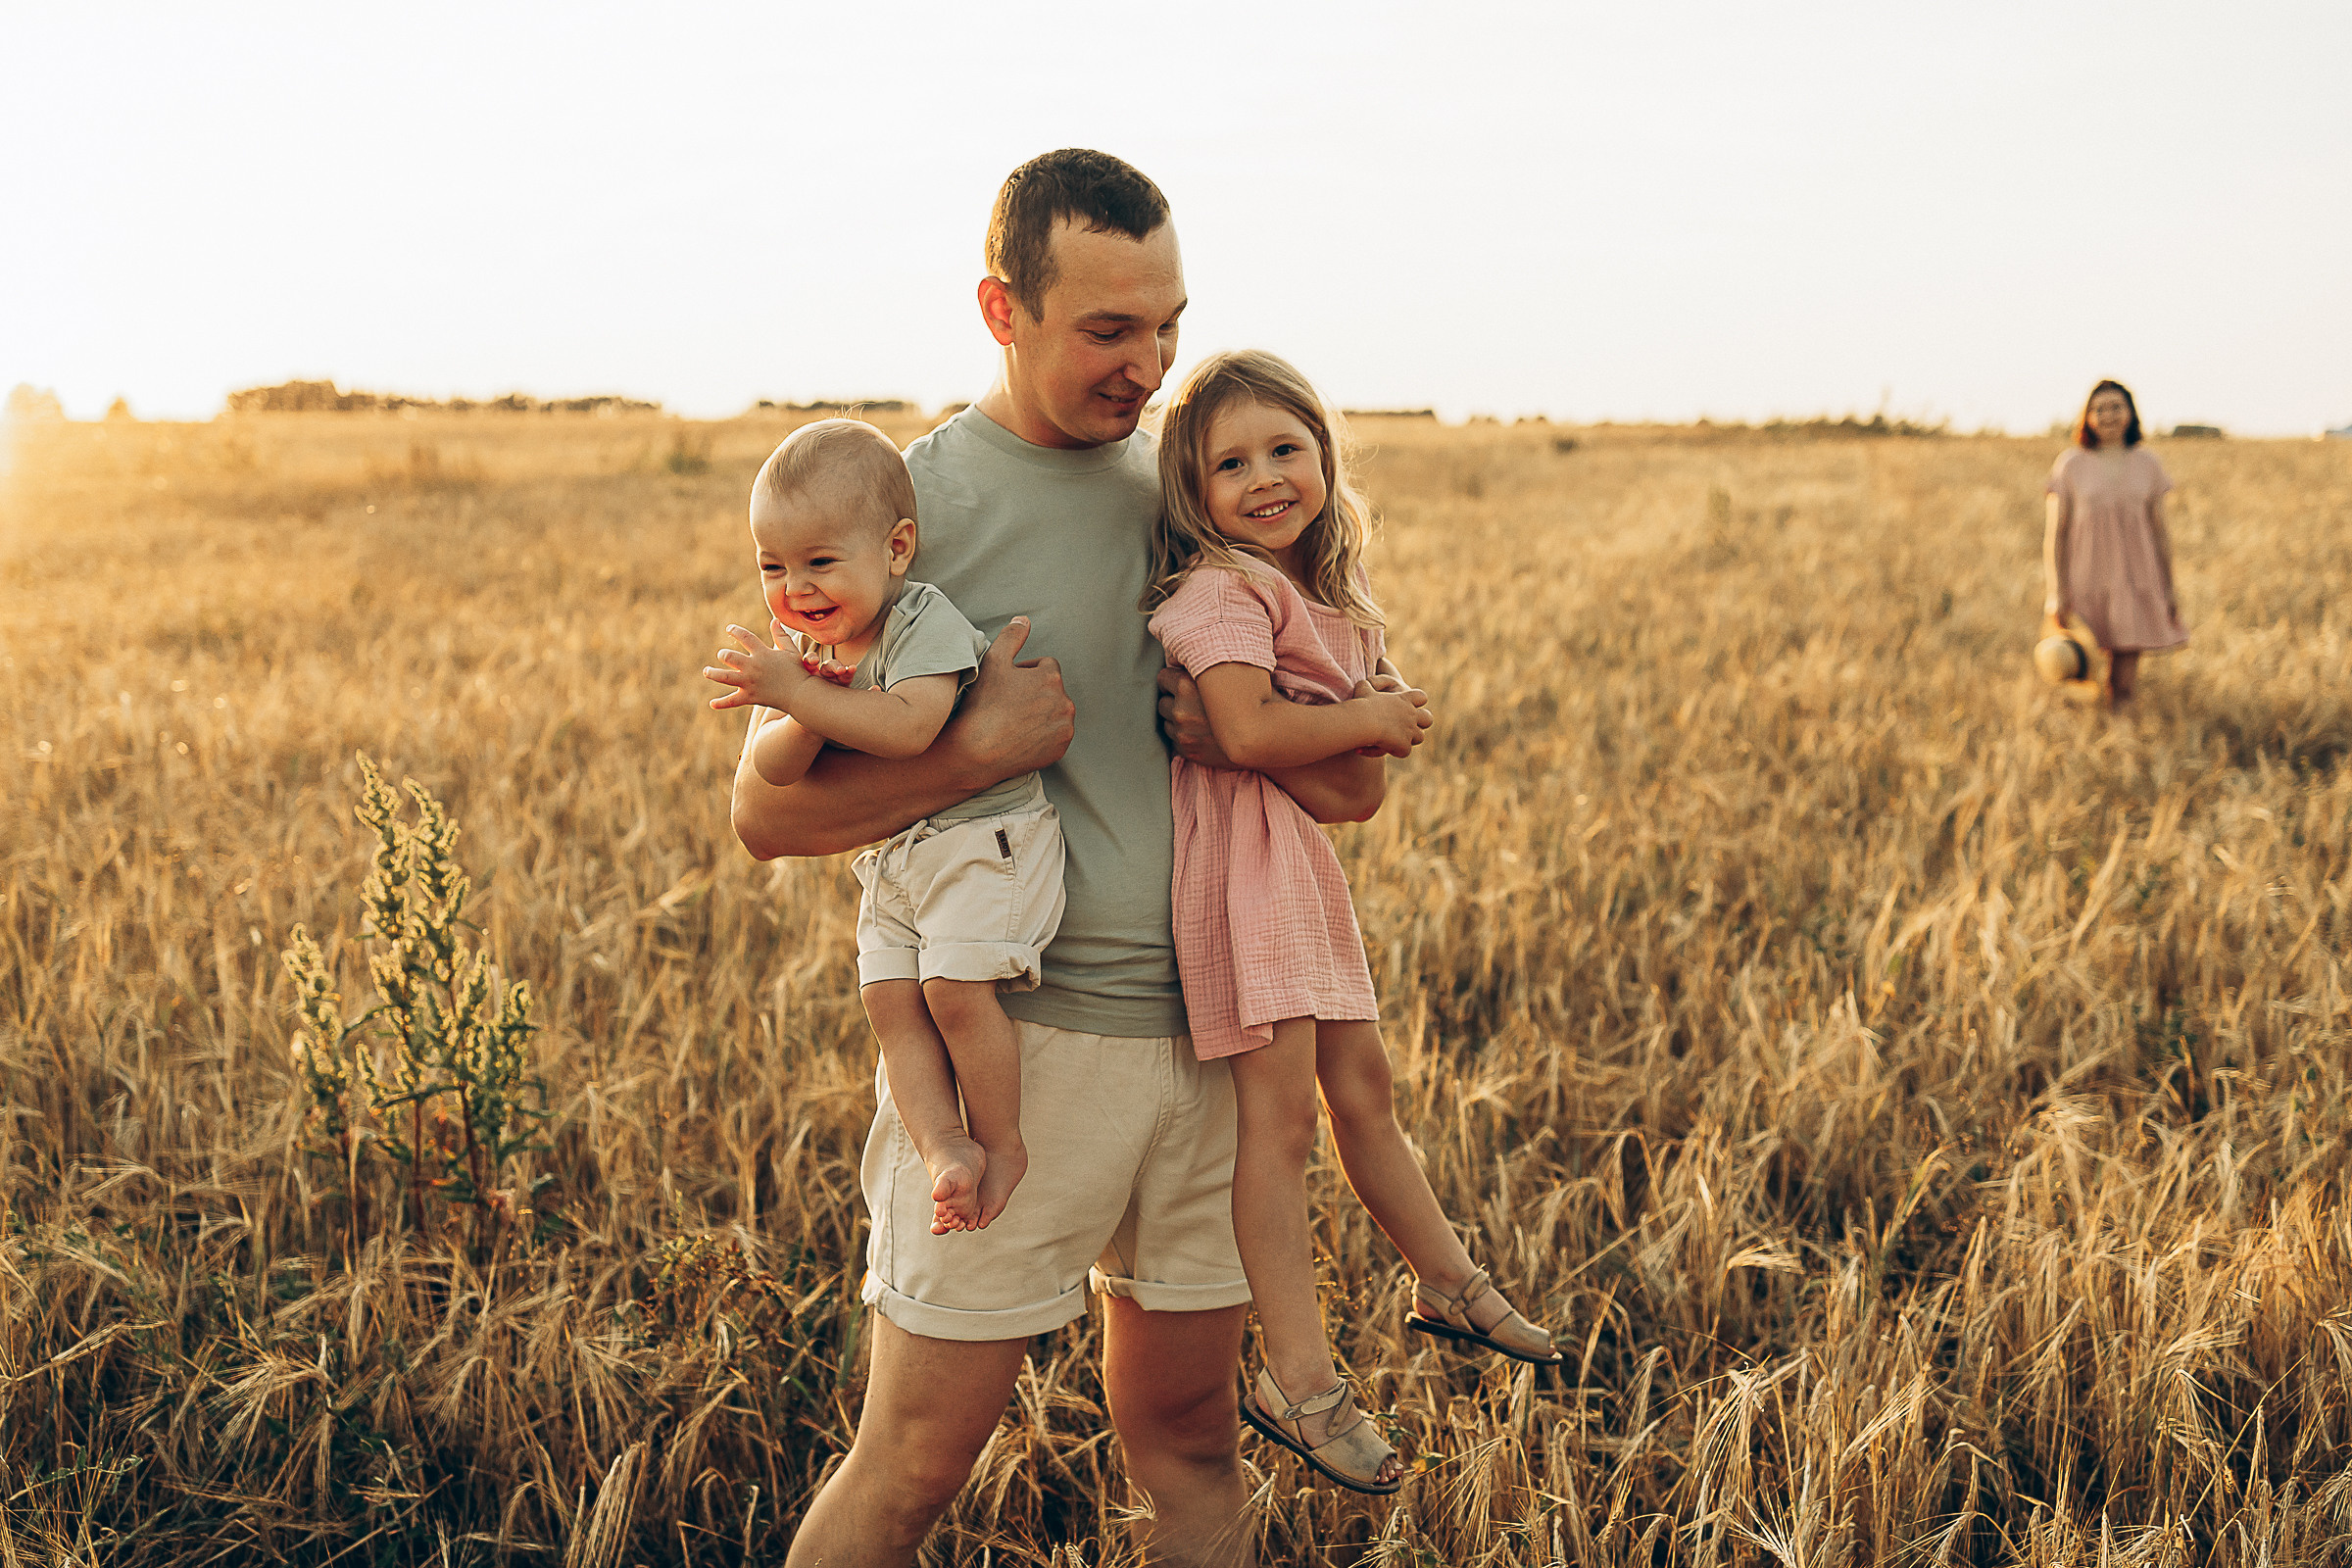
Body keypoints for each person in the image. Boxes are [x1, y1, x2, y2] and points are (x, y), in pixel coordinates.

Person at [732, 149, 1413, 1568]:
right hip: (1023, 1057)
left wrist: (1282, 735)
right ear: (1003, 308)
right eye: (1110, 328)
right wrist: (973, 753)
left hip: (1225, 1040)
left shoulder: (1191, 489)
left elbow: (1335, 779)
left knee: (1195, 1454)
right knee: (912, 1468)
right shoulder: (907, 507)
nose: (1150, 362)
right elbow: (769, 816)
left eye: (1167, 322)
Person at [1143, 350, 1560, 1495]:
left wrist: (1331, 728)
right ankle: (1299, 1379)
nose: (1266, 477)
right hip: (1236, 874)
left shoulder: (1330, 606)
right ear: (1195, 488)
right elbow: (1250, 729)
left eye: (1286, 448)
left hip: (1302, 876)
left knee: (1365, 1091)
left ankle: (1452, 1284)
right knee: (1275, 1132)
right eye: (1232, 462)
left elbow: (1360, 794)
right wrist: (1363, 713)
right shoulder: (1221, 592)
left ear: (1325, 452)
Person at [705, 418, 1064, 1235]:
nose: (795, 588)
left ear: (896, 550)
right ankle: (946, 1150)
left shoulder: (921, 622)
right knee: (892, 1003)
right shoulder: (812, 648)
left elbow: (910, 730)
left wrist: (801, 695)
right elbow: (774, 773)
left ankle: (1002, 1143)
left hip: (987, 840)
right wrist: (794, 699)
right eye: (773, 566)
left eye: (820, 562)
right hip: (904, 858)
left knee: (953, 992)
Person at [2043, 379, 2186, 709]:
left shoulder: (2148, 464)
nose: (2108, 415)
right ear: (2087, 417)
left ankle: (2122, 743)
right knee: (2079, 674)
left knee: (2123, 684)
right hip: (2085, 581)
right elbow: (2055, 535)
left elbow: (2160, 532)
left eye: (2116, 407)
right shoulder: (2070, 464)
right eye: (2099, 408)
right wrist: (2056, 591)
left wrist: (2169, 587)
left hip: (2137, 581)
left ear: (2131, 414)